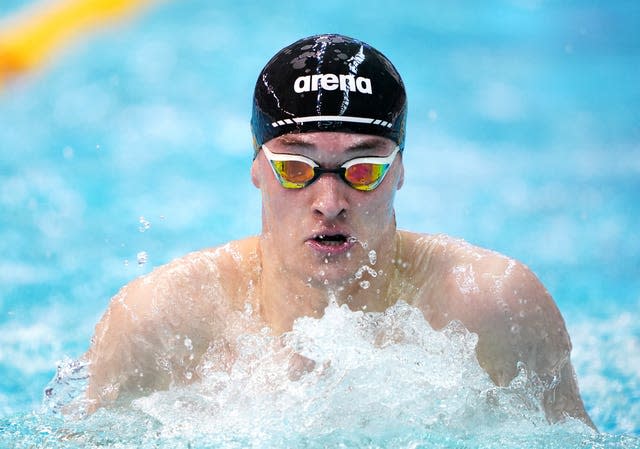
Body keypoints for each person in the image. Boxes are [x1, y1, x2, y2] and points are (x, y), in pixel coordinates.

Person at [84, 33, 594, 427]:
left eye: (363, 170)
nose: (329, 204)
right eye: (297, 168)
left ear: (399, 171)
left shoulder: (493, 305)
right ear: (257, 167)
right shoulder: (160, 322)